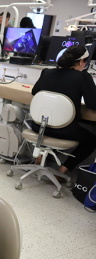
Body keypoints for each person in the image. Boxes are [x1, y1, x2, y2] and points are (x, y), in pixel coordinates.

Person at [31, 45, 96, 180]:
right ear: (80, 62)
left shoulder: (47, 72)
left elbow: (34, 92)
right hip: (64, 131)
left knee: (57, 122)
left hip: (39, 127)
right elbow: (92, 104)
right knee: (91, 140)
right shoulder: (82, 77)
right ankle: (62, 170)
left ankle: (41, 156)